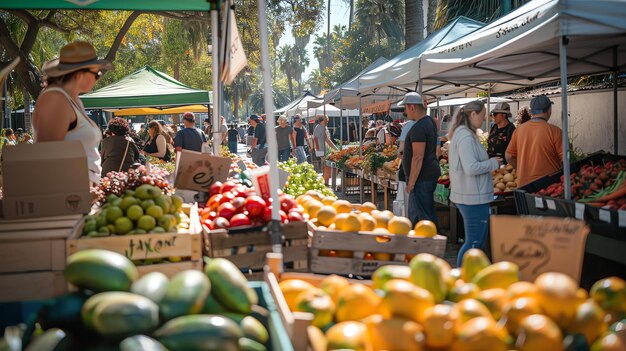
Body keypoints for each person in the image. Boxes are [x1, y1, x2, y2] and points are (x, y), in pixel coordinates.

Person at [33, 41, 113, 184]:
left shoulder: (72, 98)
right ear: (80, 73)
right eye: (97, 73)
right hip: (68, 197)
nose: (98, 77)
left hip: (80, 193)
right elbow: (46, 159)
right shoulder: (55, 99)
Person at [448, 101, 503, 267]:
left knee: (475, 241)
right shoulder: (465, 136)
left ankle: (466, 275)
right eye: (482, 116)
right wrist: (493, 163)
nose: (484, 119)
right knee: (474, 242)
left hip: (472, 195)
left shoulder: (465, 134)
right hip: (472, 197)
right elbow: (471, 167)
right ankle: (460, 275)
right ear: (473, 115)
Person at [400, 92, 441, 225]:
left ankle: (431, 243)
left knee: (424, 218)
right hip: (426, 176)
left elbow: (418, 157)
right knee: (422, 215)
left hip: (421, 179)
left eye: (405, 108)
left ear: (412, 107)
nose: (405, 112)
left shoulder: (419, 127)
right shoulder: (429, 121)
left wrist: (411, 183)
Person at [506, 95, 563, 187]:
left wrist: (519, 168)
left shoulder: (519, 130)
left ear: (532, 111)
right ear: (549, 110)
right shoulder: (555, 131)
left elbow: (508, 156)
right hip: (549, 186)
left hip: (524, 185)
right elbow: (566, 158)